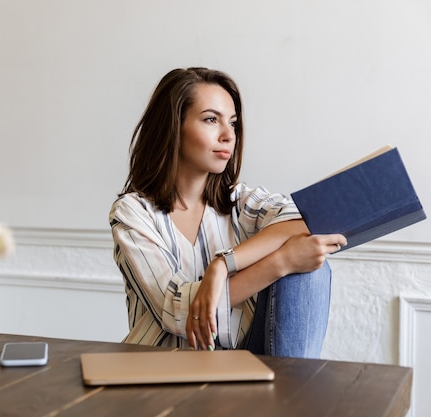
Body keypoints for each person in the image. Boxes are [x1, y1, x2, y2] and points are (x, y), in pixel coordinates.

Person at [109, 67, 346, 358]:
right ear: (173, 127)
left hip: (243, 359)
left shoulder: (240, 201)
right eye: (211, 119)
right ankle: (293, 395)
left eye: (232, 123)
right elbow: (177, 311)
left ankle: (295, 393)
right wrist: (280, 262)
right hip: (164, 369)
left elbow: (305, 218)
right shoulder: (133, 213)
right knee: (296, 258)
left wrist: (222, 265)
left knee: (312, 263)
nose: (228, 135)